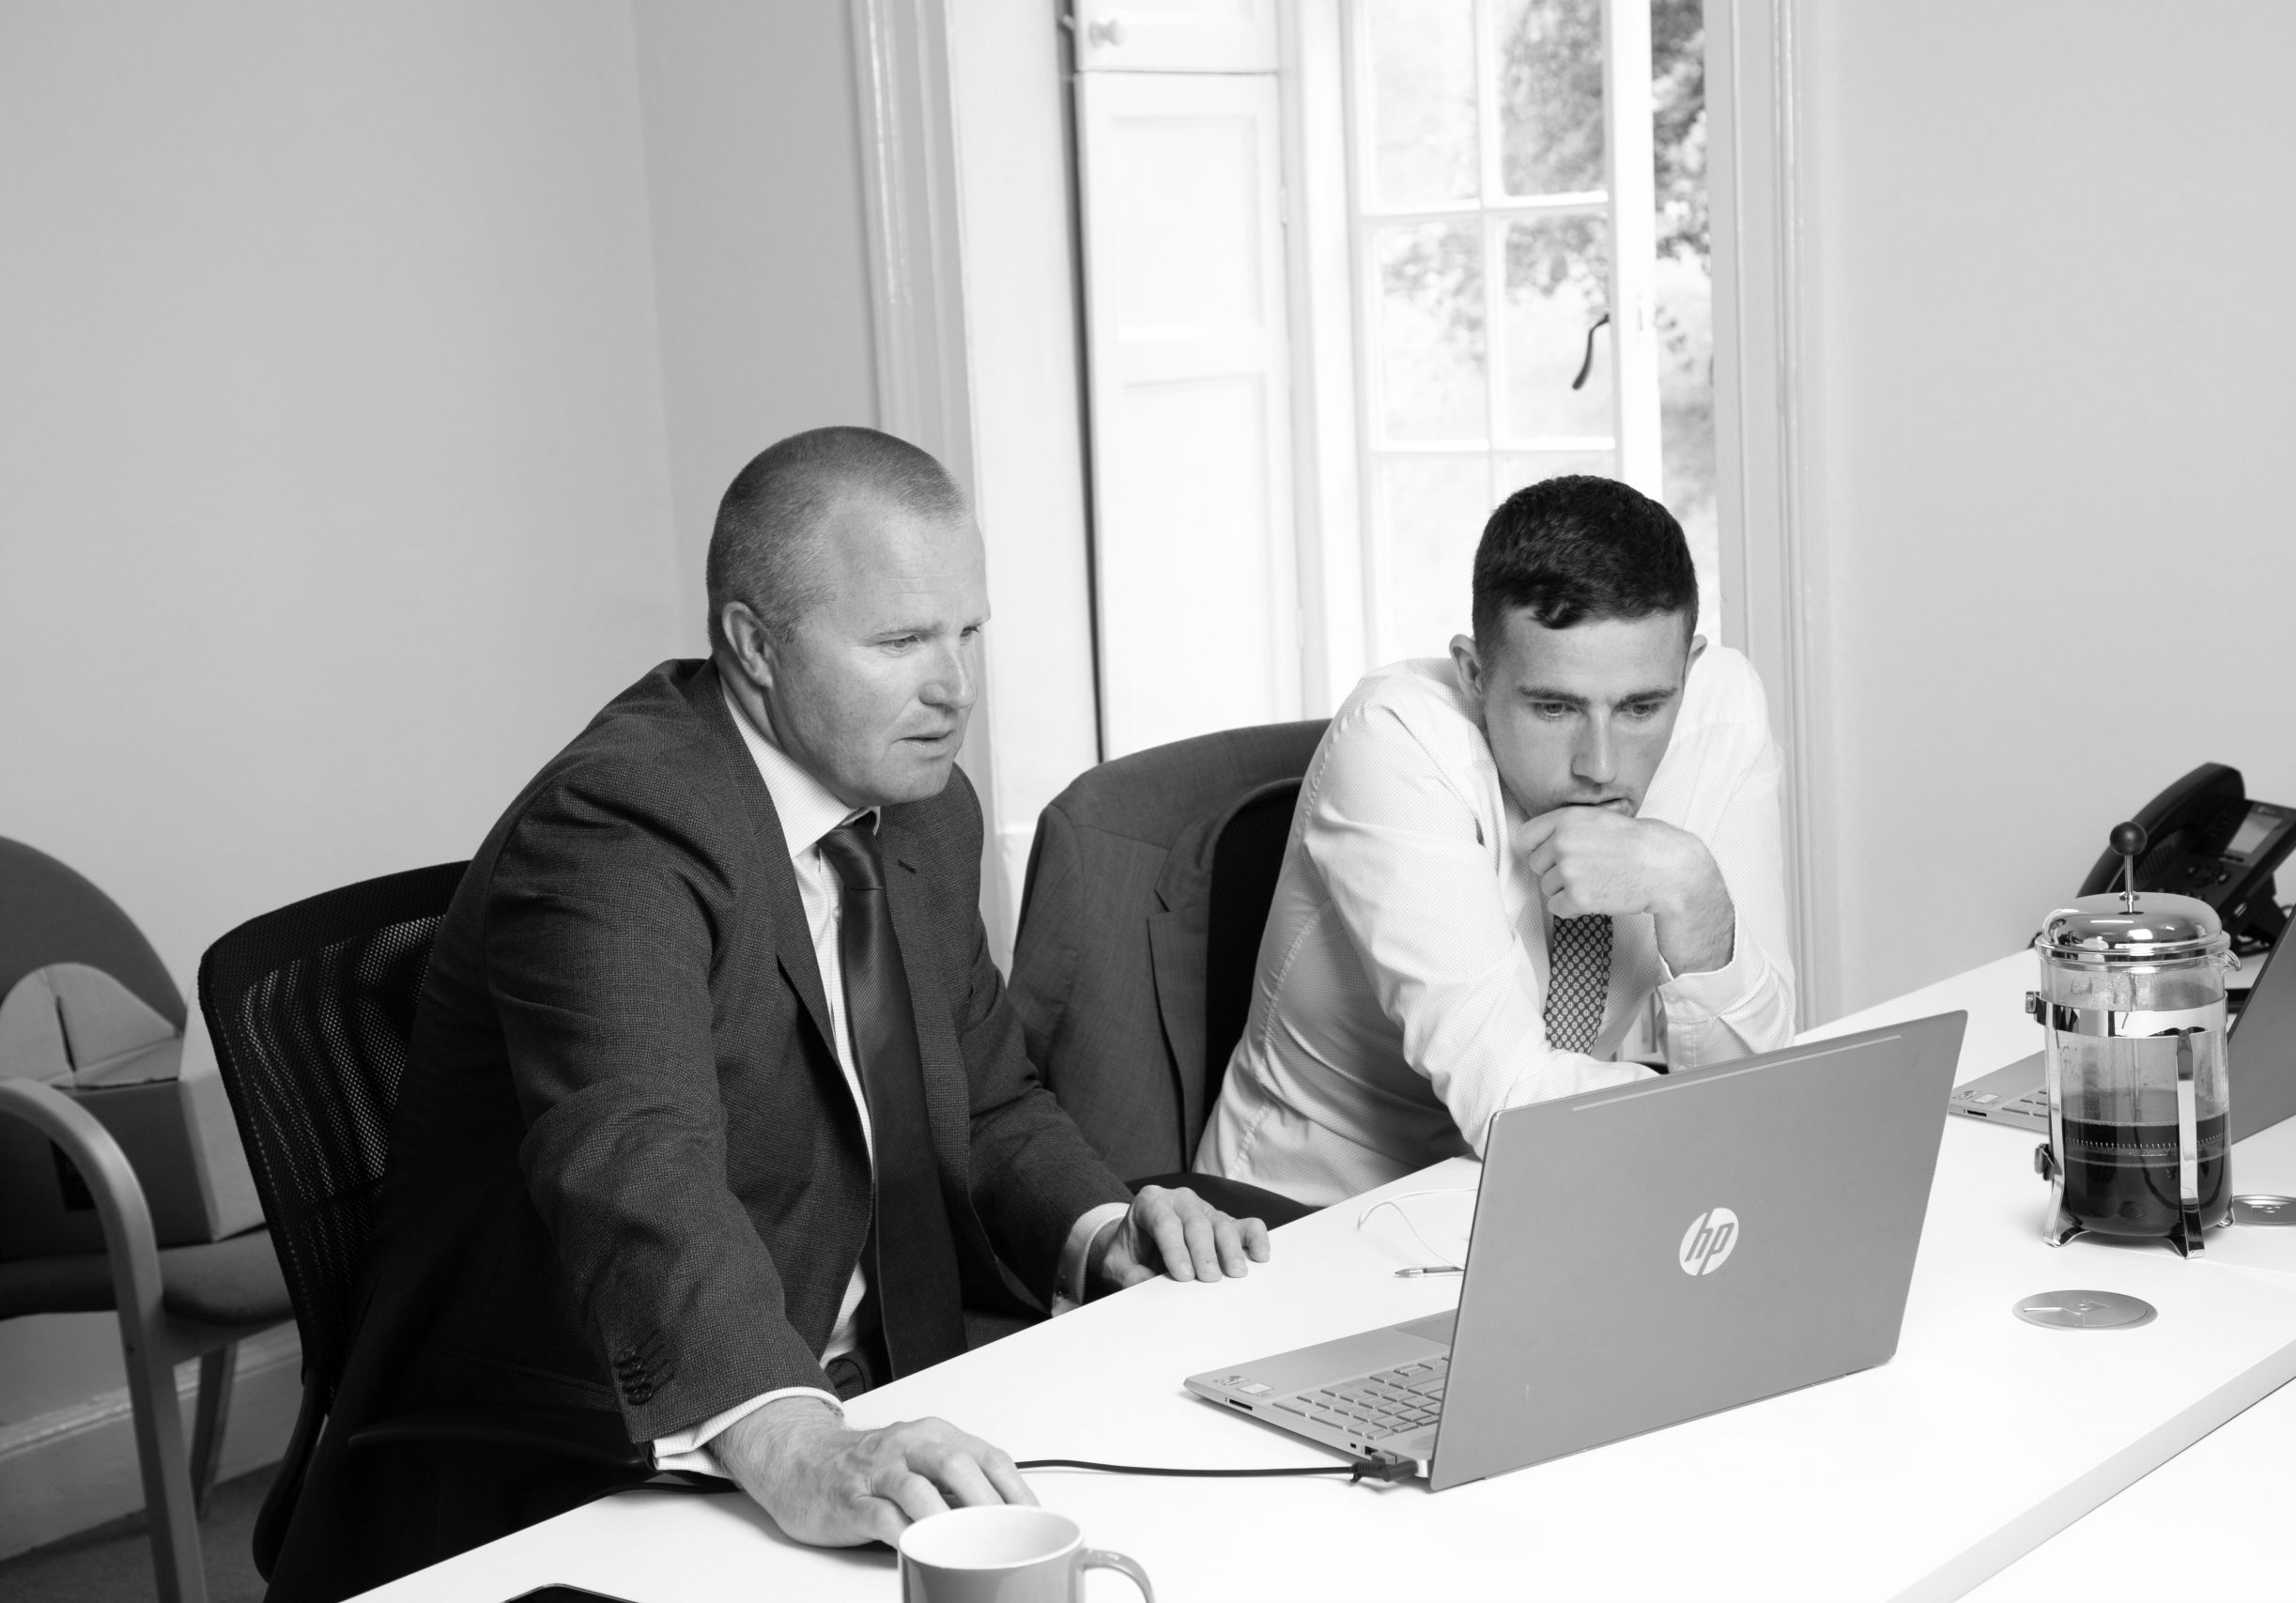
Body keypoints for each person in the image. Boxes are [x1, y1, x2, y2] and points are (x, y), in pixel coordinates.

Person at [268, 427, 1270, 1602]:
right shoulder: (619, 825)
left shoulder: (916, 804)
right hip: (592, 1440)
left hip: (871, 1390)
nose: (954, 689)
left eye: (967, 633)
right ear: (752, 644)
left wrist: (1103, 1231)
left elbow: (986, 1092)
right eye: (899, 642)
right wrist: (797, 1440)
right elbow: (632, 1160)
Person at [1196, 475, 1794, 1208]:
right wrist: (1744, 1116)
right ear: (1476, 674)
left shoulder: (1722, 712)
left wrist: (1691, 888)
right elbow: (1519, 1106)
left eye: (1642, 707)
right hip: (1316, 1221)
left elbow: (1760, 1073)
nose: (1600, 765)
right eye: (1554, 706)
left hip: (1575, 1198)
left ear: (1688, 671)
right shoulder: (1392, 739)